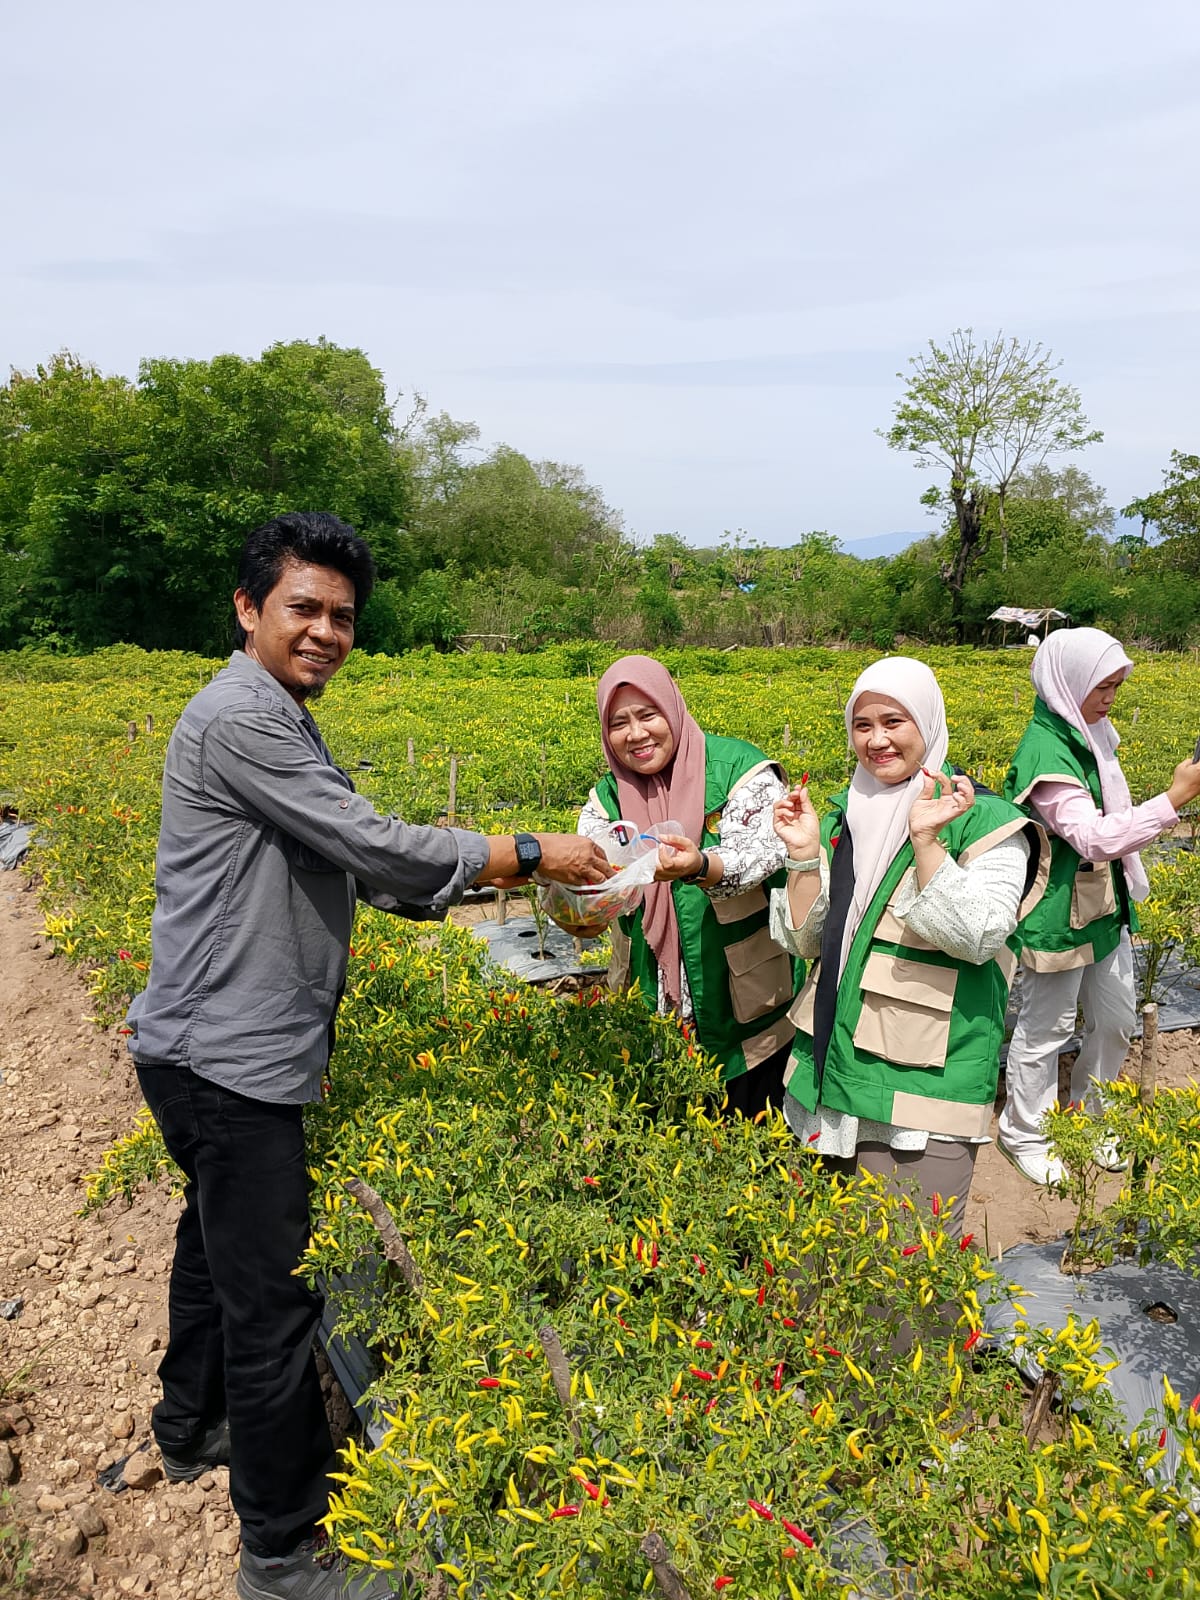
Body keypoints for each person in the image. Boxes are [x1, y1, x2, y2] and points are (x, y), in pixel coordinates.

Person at [125, 513, 610, 1600]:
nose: (328, 631)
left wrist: (485, 886)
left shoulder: (279, 719)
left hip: (208, 1047)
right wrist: (529, 853)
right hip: (229, 1057)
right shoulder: (242, 717)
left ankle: (190, 1425)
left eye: (343, 615)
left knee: (212, 1254)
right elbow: (374, 843)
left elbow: (366, 864)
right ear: (249, 609)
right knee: (273, 1304)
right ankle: (284, 1553)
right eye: (305, 607)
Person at [770, 657, 1046, 1237]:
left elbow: (977, 936)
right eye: (862, 725)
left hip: (923, 1090)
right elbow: (805, 943)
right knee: (828, 1265)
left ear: (927, 722)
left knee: (909, 1276)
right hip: (831, 1074)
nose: (877, 740)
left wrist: (926, 840)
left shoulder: (987, 820)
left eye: (893, 721)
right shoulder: (844, 817)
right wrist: (800, 855)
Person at [996, 627, 1200, 1185]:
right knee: (1046, 1029)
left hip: (1101, 905)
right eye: (1101, 686)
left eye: (1115, 686)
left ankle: (1091, 1117)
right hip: (1058, 912)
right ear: (1067, 682)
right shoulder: (1046, 748)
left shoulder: (1089, 729)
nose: (1110, 698)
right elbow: (1093, 839)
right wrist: (1177, 795)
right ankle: (1025, 1133)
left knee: (1114, 1021)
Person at [571, 654, 797, 1117]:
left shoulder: (741, 770)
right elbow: (591, 878)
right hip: (653, 1002)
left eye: (648, 714)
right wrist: (573, 897)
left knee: (752, 1138)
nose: (636, 734)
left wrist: (702, 865)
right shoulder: (607, 797)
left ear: (672, 708)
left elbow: (767, 852)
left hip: (742, 1001)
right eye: (619, 723)